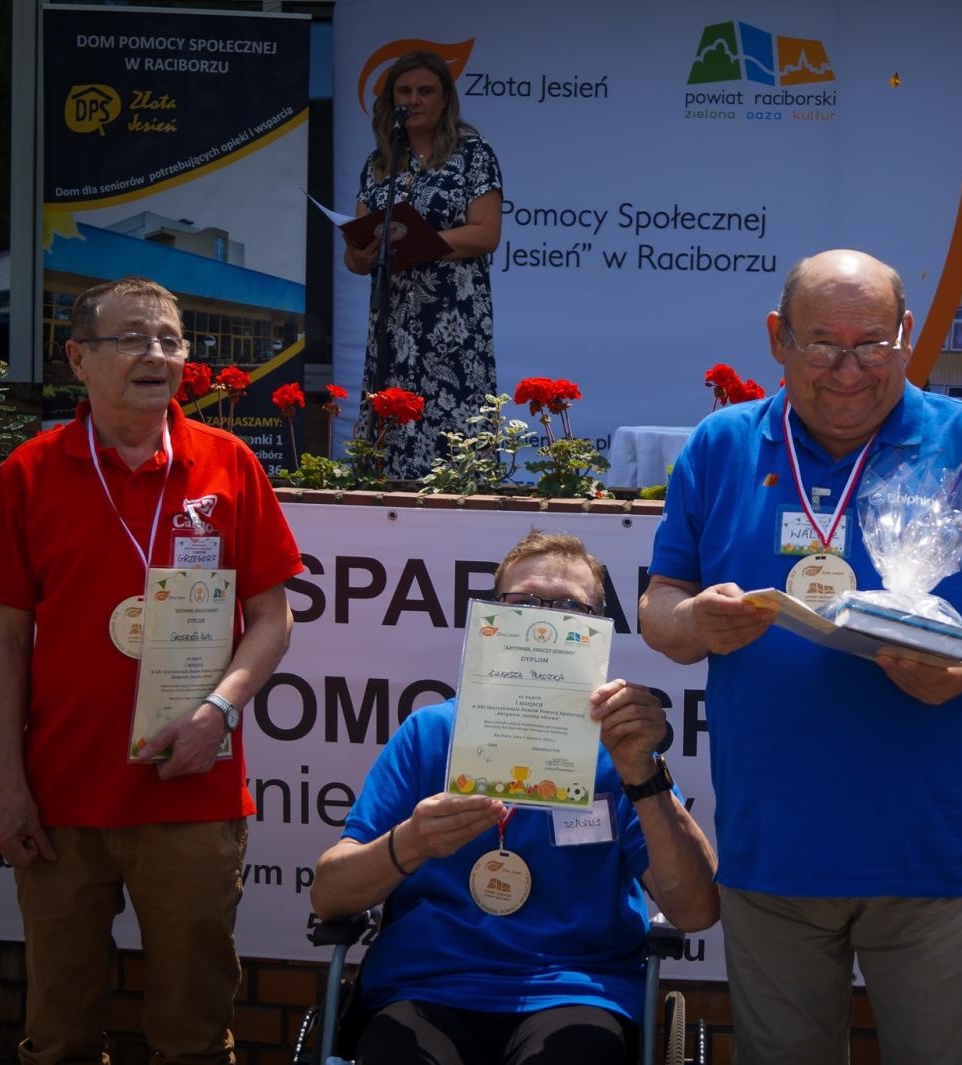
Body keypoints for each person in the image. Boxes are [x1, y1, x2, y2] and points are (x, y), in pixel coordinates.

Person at [639, 249, 962, 1064]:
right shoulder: (722, 445)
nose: (847, 370)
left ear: (907, 336)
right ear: (777, 337)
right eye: (822, 345)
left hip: (929, 854)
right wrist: (692, 620)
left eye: (871, 344)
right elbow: (660, 604)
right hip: (774, 854)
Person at [0, 276, 302, 1064]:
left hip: (192, 791)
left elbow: (272, 619)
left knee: (191, 1039)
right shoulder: (29, 472)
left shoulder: (229, 463)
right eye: (132, 338)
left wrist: (217, 710)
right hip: (59, 802)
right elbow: (6, 640)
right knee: (59, 1038)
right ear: (78, 359)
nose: (156, 355)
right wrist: (11, 787)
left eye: (170, 340)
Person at [310, 530, 719, 1065]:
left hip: (576, 990)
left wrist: (644, 775)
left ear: (594, 630)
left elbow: (695, 910)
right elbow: (329, 897)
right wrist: (409, 843)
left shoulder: (620, 751)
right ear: (490, 617)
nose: (543, 620)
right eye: (524, 602)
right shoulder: (429, 734)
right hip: (426, 988)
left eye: (569, 608)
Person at [343, 50, 503, 479]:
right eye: (404, 91)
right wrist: (361, 252)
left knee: (453, 432)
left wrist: (419, 244)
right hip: (393, 323)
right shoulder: (377, 163)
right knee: (390, 426)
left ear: (445, 99)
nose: (413, 100)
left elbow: (485, 233)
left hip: (452, 319)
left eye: (425, 91)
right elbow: (356, 254)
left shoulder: (473, 153)